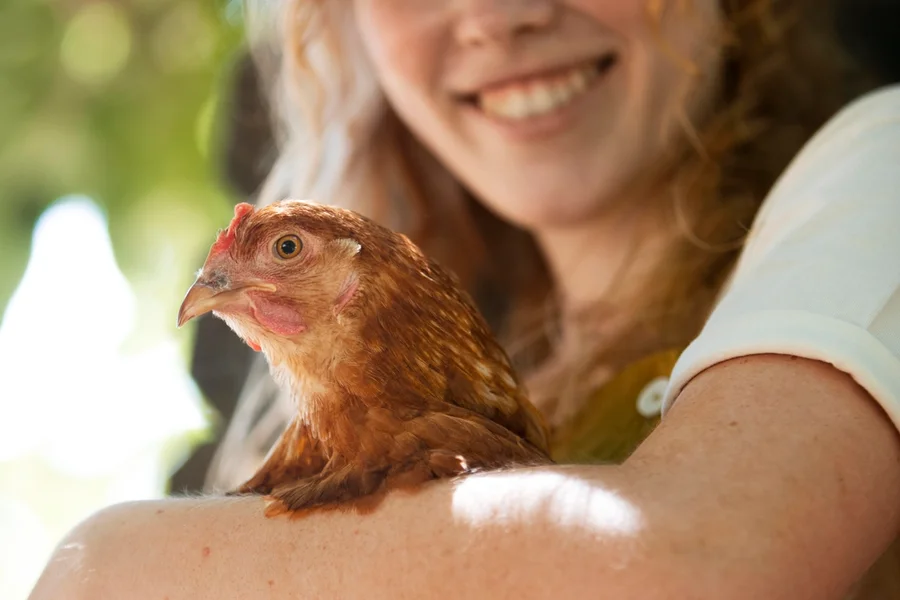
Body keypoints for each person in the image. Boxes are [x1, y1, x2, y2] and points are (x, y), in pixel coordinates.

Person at [29, 1, 900, 598]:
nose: (497, 16)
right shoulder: (379, 418)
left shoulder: (883, 164)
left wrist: (100, 562)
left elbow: (704, 564)